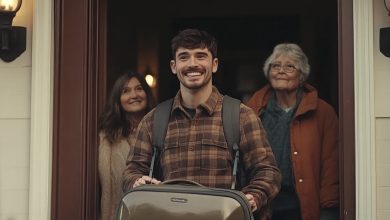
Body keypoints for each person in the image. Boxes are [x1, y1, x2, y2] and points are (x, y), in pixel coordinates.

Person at [122, 28, 281, 220]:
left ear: (214, 64)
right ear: (173, 66)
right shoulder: (153, 120)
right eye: (184, 57)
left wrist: (251, 198)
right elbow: (132, 171)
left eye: (200, 56)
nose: (192, 64)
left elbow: (268, 171)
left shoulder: (241, 116)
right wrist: (136, 181)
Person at [246, 43, 339, 220]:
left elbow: (331, 165)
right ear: (268, 73)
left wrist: (329, 210)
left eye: (289, 66)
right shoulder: (252, 110)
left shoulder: (323, 112)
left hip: (302, 208)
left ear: (302, 75)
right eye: (275, 66)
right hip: (262, 206)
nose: (281, 71)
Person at [98, 71, 156, 220]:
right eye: (126, 91)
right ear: (118, 100)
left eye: (139, 89)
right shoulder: (108, 137)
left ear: (147, 94)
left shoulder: (160, 130)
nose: (134, 95)